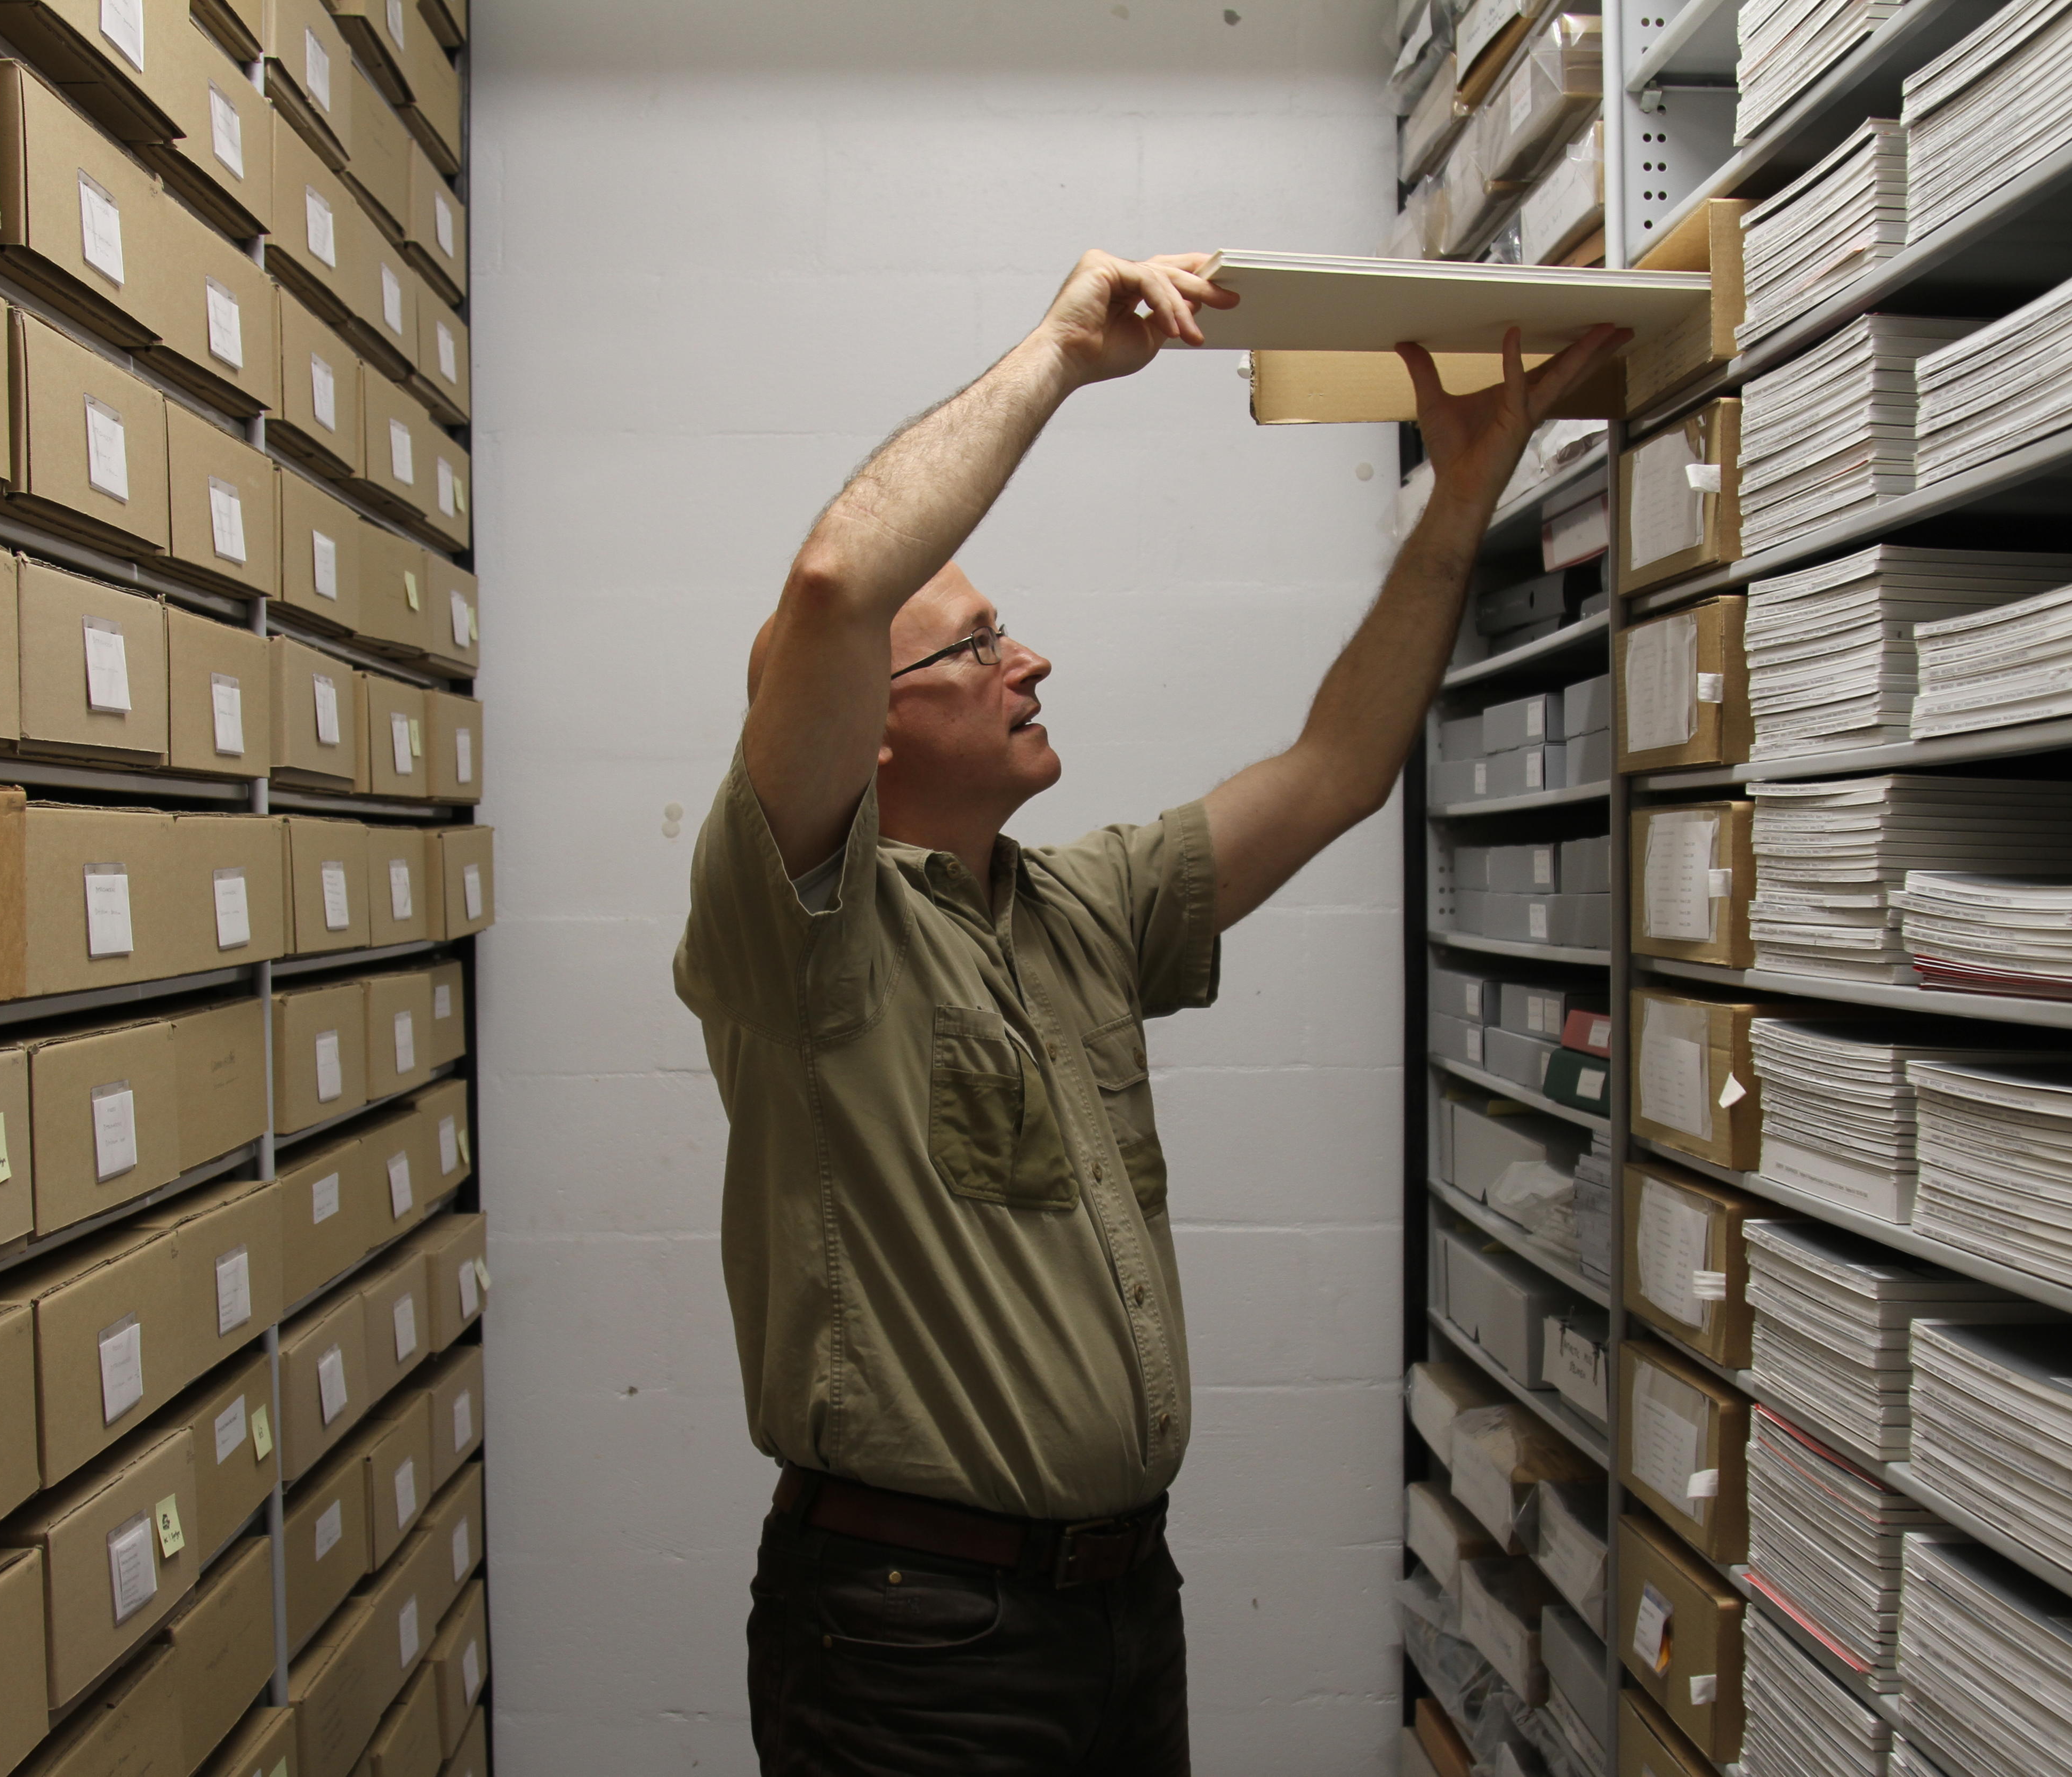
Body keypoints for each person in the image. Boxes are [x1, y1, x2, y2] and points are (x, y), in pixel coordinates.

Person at [672, 248, 1626, 1776]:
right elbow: (836, 586)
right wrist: (1057, 352)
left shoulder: (1075, 909)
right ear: (870, 722)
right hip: (915, 1635)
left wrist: (1463, 495)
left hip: (1119, 1606)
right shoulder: (800, 928)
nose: (1027, 660)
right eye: (978, 646)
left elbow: (1336, 772)